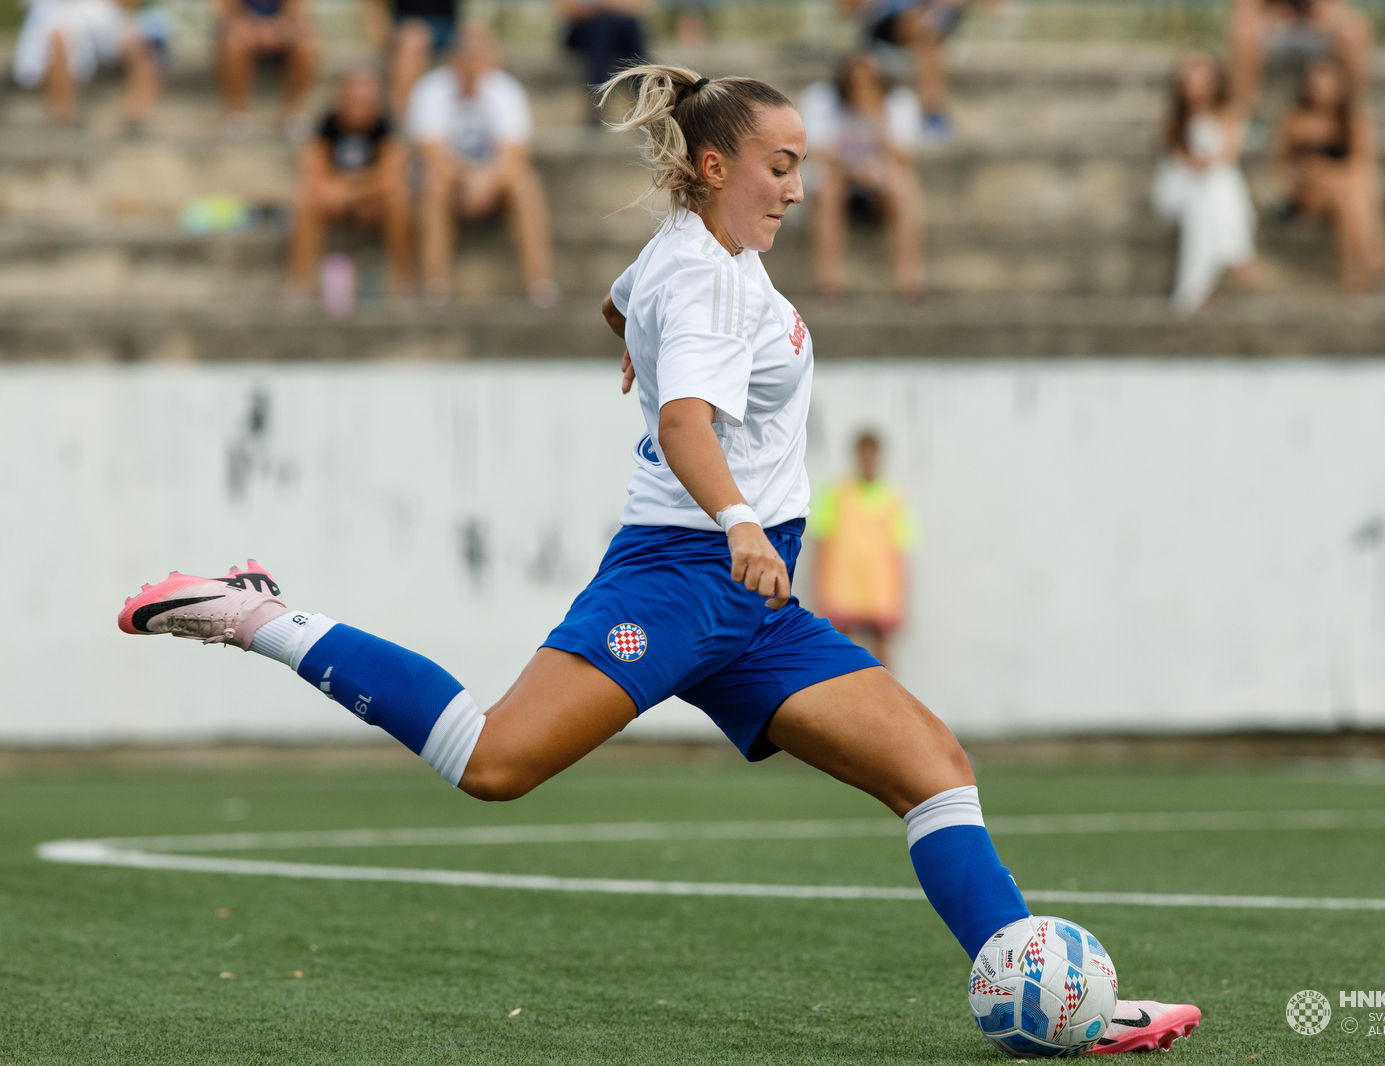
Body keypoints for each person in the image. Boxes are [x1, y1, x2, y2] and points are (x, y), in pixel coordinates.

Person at [114, 60, 1200, 1056]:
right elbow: (686, 424)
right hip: (689, 575)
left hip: (749, 598)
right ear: (717, 166)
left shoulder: (694, 258)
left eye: (802, 169)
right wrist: (730, 514)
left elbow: (626, 299)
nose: (796, 190)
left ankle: (1065, 1006)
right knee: (492, 761)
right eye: (781, 168)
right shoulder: (713, 284)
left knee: (933, 769)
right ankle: (255, 613)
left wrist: (632, 339)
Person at [406, 24, 558, 307]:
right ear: (451, 60)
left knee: (525, 184)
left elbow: (515, 153)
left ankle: (539, 283)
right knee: (434, 182)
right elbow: (431, 154)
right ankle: (434, 283)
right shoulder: (430, 89)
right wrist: (470, 179)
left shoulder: (505, 89)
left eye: (477, 59)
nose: (471, 68)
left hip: (492, 181)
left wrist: (486, 181)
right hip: (450, 181)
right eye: (465, 59)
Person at [801, 52, 925, 299]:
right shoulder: (821, 99)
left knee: (905, 185)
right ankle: (828, 278)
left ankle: (909, 277)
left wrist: (876, 117)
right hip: (838, 178)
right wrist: (852, 171)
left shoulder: (899, 102)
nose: (862, 86)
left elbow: (903, 157)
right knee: (828, 188)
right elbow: (814, 151)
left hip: (880, 180)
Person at [286, 69, 414, 299]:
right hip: (335, 199)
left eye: (364, 99)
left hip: (369, 201)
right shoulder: (327, 125)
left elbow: (390, 176)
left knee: (397, 200)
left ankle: (403, 280)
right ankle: (299, 282)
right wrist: (344, 191)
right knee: (306, 202)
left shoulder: (385, 126)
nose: (358, 104)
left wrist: (350, 191)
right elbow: (313, 171)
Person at [1272, 56, 1385, 294]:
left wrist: (1327, 171)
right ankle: (1374, 259)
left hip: (1343, 192)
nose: (1322, 91)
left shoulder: (1353, 119)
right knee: (1356, 189)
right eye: (1316, 83)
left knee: (1352, 194)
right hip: (1309, 193)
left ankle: (1353, 280)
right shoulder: (1294, 119)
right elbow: (1280, 164)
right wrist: (1303, 176)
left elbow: (1362, 161)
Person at [1153, 52, 1261, 313]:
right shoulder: (1173, 118)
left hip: (1209, 187)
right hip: (1177, 185)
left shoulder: (1227, 113)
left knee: (1211, 188)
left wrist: (1209, 163)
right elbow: (1180, 159)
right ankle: (1238, 253)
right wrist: (1198, 165)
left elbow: (1229, 154)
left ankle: (1195, 288)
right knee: (1212, 185)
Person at [811, 431, 918, 668]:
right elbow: (821, 540)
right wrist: (820, 588)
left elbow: (901, 547)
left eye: (873, 453)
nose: (868, 459)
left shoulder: (894, 497)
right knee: (843, 647)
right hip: (843, 584)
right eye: (864, 453)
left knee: (882, 650)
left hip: (880, 587)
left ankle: (884, 702)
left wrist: (900, 595)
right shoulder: (836, 493)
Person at [11, 0, 166, 130]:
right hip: (61, 26)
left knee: (146, 43)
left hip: (103, 25)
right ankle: (62, 118)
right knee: (58, 39)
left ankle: (134, 119)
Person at [839, 0, 971, 139]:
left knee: (930, 44)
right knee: (919, 26)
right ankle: (931, 114)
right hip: (886, 25)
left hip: (924, 29)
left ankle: (932, 112)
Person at [1229, 0, 1371, 112]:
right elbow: (1246, 8)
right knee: (1244, 34)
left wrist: (1322, 13)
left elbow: (1338, 7)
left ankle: (1350, 114)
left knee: (1353, 32)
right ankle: (1244, 115)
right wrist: (1272, 15)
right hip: (1272, 26)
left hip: (1316, 26)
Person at [215, 0, 319, 140]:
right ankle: (237, 112)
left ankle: (293, 113)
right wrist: (255, 28)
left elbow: (296, 12)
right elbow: (230, 12)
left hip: (281, 27)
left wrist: (277, 29)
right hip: (242, 27)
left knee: (307, 45)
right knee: (233, 44)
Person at [555, 0, 648, 123]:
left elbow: (636, 7)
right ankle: (600, 99)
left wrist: (603, 7)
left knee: (630, 26)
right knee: (603, 27)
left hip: (617, 28)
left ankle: (642, 99)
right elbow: (570, 10)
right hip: (584, 30)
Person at [368, 0, 461, 120]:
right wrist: (382, 27)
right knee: (412, 41)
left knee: (474, 41)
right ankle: (404, 121)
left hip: (449, 24)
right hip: (407, 22)